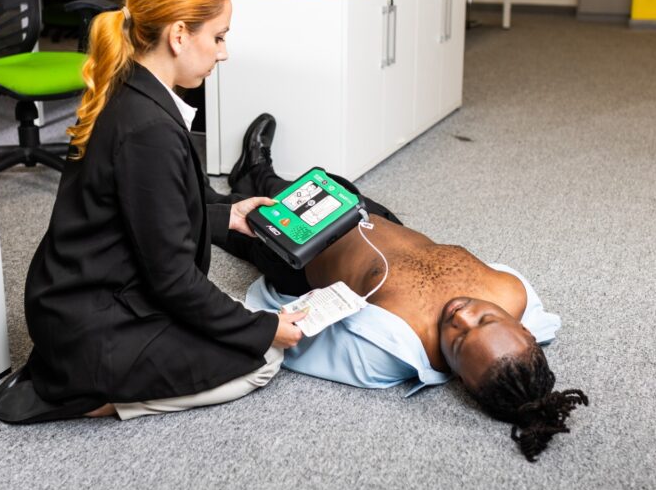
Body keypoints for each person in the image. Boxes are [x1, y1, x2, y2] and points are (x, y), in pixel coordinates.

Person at [0, 0, 306, 424]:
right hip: (93, 328)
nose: (223, 53)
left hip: (75, 302)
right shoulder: (148, 129)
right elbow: (173, 279)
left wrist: (228, 217)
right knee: (265, 357)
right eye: (218, 36)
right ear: (179, 35)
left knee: (240, 319)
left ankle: (93, 374)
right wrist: (264, 330)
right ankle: (99, 399)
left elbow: (144, 211)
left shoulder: (131, 91)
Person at [217, 114, 588, 462]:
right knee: (303, 186)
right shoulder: (514, 294)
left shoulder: (391, 351)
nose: (463, 315)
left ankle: (218, 191)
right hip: (369, 218)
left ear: (460, 377)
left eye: (458, 340)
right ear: (522, 328)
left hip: (298, 252)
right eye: (487, 319)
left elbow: (297, 341)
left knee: (222, 219)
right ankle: (256, 171)